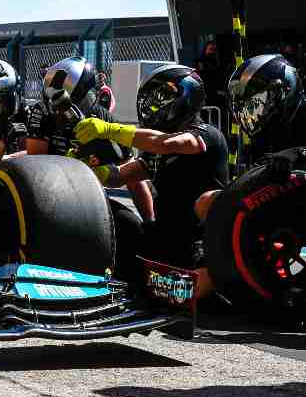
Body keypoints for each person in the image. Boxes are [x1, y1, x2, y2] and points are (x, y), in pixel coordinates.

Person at [74, 65, 229, 292]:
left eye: (160, 99)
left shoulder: (206, 133)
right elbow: (118, 178)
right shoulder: (155, 151)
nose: (152, 107)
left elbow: (168, 144)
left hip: (198, 242)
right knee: (115, 217)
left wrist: (110, 129)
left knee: (193, 289)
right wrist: (86, 165)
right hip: (164, 238)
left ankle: (166, 288)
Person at [195, 54, 306, 221]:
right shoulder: (263, 134)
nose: (249, 115)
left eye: (256, 104)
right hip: (283, 204)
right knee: (207, 202)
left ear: (282, 93)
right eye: (245, 107)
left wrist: (302, 154)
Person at [28, 57, 154, 221]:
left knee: (131, 225)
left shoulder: (101, 116)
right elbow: (35, 169)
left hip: (87, 195)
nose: (59, 111)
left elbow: (132, 177)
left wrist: (150, 222)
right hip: (51, 195)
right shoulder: (41, 112)